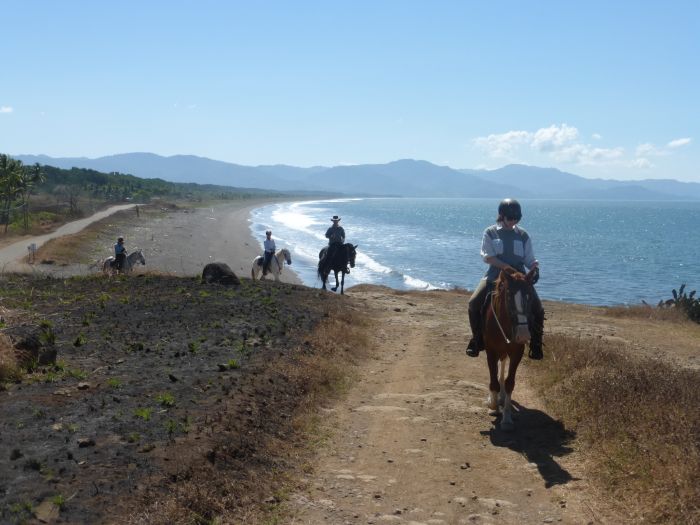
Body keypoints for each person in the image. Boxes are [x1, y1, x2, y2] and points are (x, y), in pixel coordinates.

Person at [466, 199, 545, 360]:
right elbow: (488, 257)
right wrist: (505, 268)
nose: (513, 222)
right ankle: (477, 340)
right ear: (501, 216)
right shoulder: (490, 232)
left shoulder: (523, 235)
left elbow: (529, 259)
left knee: (538, 308)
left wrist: (535, 267)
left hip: (519, 278)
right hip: (495, 275)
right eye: (510, 218)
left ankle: (536, 345)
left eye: (516, 219)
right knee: (474, 303)